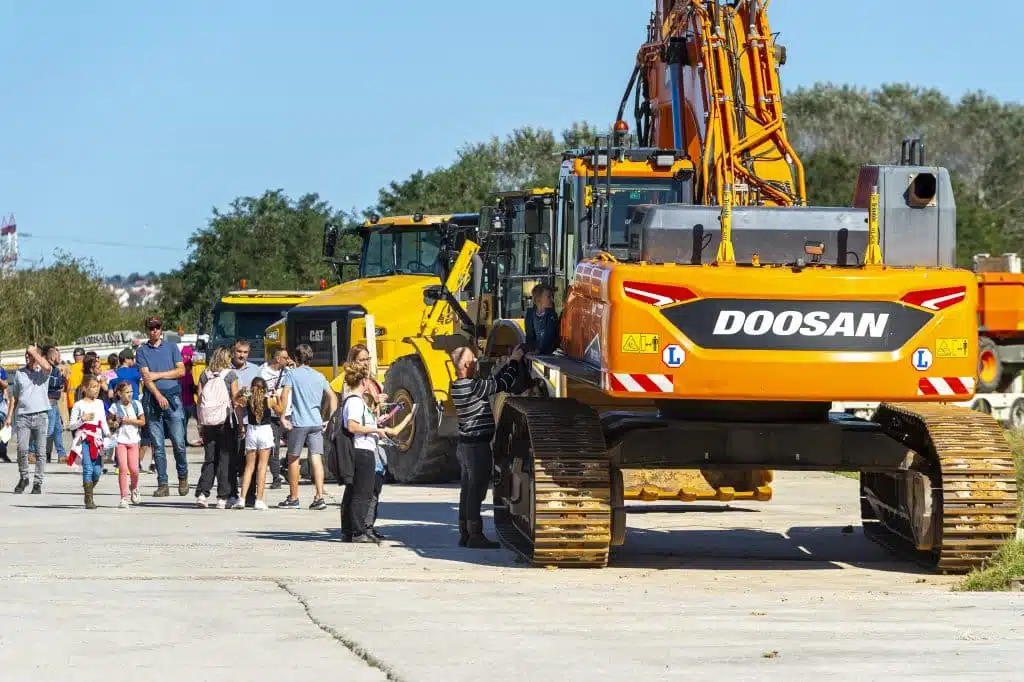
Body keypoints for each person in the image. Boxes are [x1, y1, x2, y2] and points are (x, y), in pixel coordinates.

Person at [449, 344, 523, 548]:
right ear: (466, 364)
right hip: (476, 446)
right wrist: (515, 361)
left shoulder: (458, 385)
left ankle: (465, 532)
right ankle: (475, 535)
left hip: (466, 446)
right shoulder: (473, 387)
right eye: (473, 359)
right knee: (476, 489)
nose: (476, 362)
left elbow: (491, 381)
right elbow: (502, 383)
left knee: (467, 489)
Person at [339, 361, 400, 543]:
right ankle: (358, 532)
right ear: (363, 382)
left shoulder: (356, 401)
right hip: (362, 450)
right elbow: (352, 425)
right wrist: (375, 430)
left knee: (354, 491)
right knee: (362, 492)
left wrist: (375, 423)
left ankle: (349, 530)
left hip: (363, 449)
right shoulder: (356, 402)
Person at [277, 343, 337, 510]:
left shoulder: (292, 375)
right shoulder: (319, 376)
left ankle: (294, 497)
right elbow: (332, 396)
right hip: (316, 422)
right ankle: (319, 496)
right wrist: (330, 418)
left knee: (293, 458)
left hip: (299, 422)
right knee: (316, 458)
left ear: (296, 358)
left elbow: (284, 395)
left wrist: (282, 416)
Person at [135, 316, 189, 497]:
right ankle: (163, 483)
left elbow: (181, 371)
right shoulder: (142, 351)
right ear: (146, 331)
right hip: (153, 401)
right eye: (151, 328)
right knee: (157, 445)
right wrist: (157, 394)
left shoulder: (172, 347)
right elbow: (146, 377)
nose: (154, 331)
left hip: (173, 399)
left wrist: (159, 375)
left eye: (157, 327)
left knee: (179, 443)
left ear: (161, 329)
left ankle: (183, 477)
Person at [194, 347, 239, 509]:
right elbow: (235, 400)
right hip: (225, 422)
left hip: (207, 422)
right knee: (225, 460)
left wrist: (200, 422)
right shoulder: (231, 375)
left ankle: (202, 494)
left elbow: (199, 399)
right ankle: (223, 497)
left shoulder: (204, 374)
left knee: (210, 458)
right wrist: (240, 423)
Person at [7, 345, 53, 494]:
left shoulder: (43, 372)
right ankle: (24, 477)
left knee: (40, 452)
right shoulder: (19, 373)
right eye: (26, 354)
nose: (27, 356)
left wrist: (34, 351)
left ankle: (38, 482)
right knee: (22, 449)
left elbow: (47, 366)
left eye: (30, 354)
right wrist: (9, 416)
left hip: (40, 415)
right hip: (23, 416)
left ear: (37, 356)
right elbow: (15, 396)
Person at [238, 377, 282, 510]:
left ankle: (242, 499)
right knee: (262, 467)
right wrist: (277, 397)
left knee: (249, 467)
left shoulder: (248, 400)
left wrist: (241, 391)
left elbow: (235, 400)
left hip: (251, 431)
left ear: (252, 387)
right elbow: (280, 411)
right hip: (265, 432)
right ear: (264, 389)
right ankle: (259, 499)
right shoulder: (269, 401)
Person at [67, 375, 111, 509]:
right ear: (85, 388)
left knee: (97, 470)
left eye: (97, 387)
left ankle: (88, 489)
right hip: (84, 439)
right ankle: (89, 498)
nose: (96, 390)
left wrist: (108, 434)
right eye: (93, 387)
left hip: (97, 439)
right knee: (88, 468)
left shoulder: (99, 403)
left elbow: (103, 421)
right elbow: (71, 425)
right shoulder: (78, 405)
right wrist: (82, 419)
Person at [254, 348, 290, 497]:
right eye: (285, 358)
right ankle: (276, 478)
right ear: (277, 359)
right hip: (273, 414)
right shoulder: (262, 372)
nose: (288, 360)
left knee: (294, 444)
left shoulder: (288, 371)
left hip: (288, 413)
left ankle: (285, 468)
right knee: (274, 446)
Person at [107, 380, 145, 508]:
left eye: (131, 392)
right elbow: (109, 421)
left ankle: (134, 487)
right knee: (123, 469)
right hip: (120, 441)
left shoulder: (136, 404)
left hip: (134, 440)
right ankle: (124, 497)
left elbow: (142, 422)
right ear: (119, 394)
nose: (130, 394)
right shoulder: (115, 407)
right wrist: (114, 423)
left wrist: (127, 420)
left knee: (134, 469)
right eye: (127, 392)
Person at [42, 345, 68, 464]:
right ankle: (36, 452)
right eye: (58, 355)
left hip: (55, 402)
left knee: (58, 429)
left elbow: (62, 384)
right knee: (48, 430)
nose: (60, 358)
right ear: (53, 357)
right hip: (48, 401)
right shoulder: (48, 369)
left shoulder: (56, 369)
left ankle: (61, 454)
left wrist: (63, 377)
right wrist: (60, 380)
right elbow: (53, 384)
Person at [524, 283, 560, 355]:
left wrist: (539, 350)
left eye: (552, 296)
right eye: (549, 297)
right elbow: (529, 337)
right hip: (535, 357)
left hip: (550, 356)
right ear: (538, 299)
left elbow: (550, 338)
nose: (552, 300)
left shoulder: (552, 316)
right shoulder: (530, 315)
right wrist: (533, 349)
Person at [180, 345, 201, 447]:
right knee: (199, 419)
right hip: (189, 402)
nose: (191, 368)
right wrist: (198, 389)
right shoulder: (187, 375)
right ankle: (202, 438)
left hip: (182, 402)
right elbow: (191, 388)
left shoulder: (179, 373)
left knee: (184, 423)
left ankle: (184, 441)